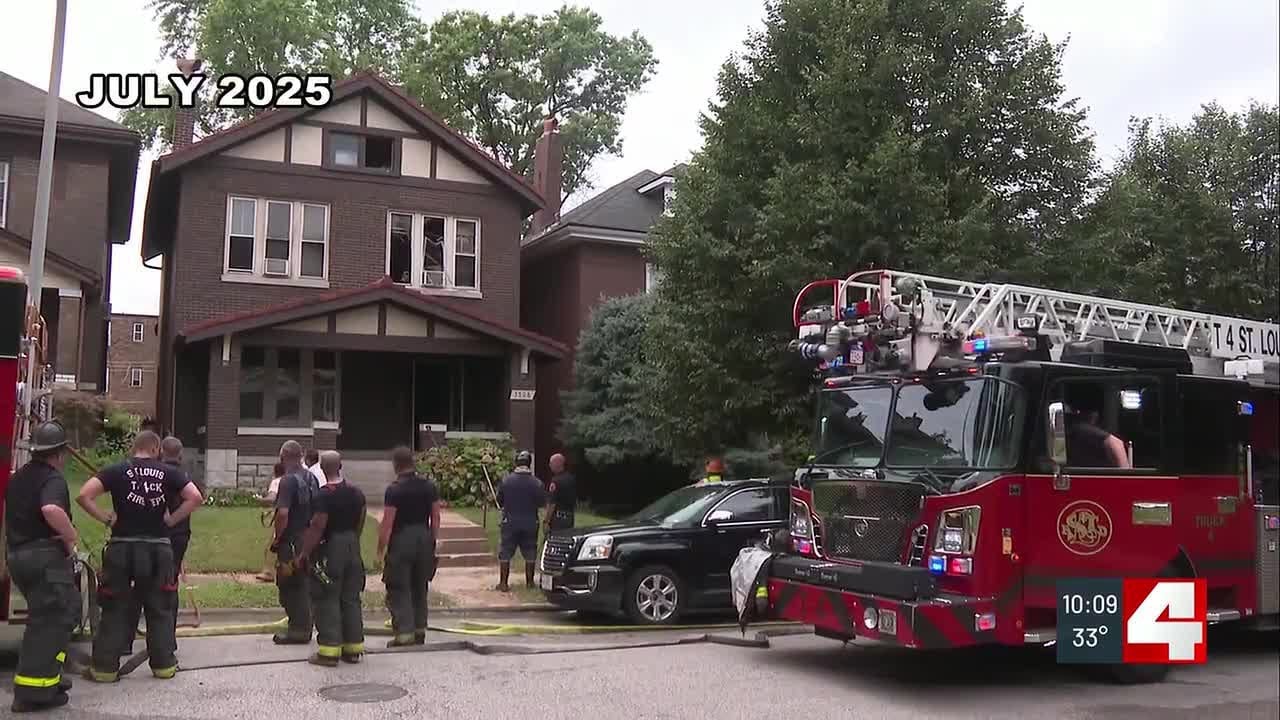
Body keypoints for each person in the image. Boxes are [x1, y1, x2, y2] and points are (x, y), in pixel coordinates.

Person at [78, 431, 202, 683]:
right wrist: (171, 520)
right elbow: (195, 497)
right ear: (156, 448)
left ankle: (104, 669)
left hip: (122, 548)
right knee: (160, 607)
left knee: (114, 607)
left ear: (134, 447)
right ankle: (164, 666)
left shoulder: (116, 471)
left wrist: (106, 518)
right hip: (158, 548)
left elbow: (83, 495)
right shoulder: (170, 473)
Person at [4, 421, 79, 712]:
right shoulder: (52, 479)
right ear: (59, 453)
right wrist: (71, 535)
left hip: (19, 556)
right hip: (44, 557)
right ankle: (32, 694)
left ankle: (50, 678)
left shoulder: (19, 477)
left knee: (56, 614)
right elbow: (50, 509)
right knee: (52, 621)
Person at [121, 435, 194, 656]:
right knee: (168, 588)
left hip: (151, 536)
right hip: (178, 536)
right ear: (180, 454)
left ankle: (125, 641)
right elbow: (195, 499)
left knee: (136, 585)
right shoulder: (184, 475)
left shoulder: (156, 473)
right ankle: (166, 642)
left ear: (161, 450)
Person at [299, 451, 367, 666]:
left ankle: (329, 651)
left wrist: (305, 553)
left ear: (321, 468)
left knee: (327, 595)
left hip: (331, 548)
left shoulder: (323, 496)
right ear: (341, 466)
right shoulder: (357, 493)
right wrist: (353, 540)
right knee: (351, 597)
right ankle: (353, 648)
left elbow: (318, 525)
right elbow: (362, 519)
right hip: (352, 546)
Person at [377, 446, 441, 647]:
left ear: (396, 465)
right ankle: (419, 630)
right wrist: (432, 541)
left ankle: (404, 634)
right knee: (420, 585)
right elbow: (436, 517)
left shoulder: (394, 490)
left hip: (402, 540)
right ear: (412, 462)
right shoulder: (428, 486)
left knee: (399, 587)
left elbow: (387, 523)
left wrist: (380, 550)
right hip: (424, 536)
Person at [269, 440, 319, 644]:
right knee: (305, 582)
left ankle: (298, 630)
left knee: (289, 584)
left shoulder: (287, 481)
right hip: (309, 538)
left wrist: (278, 538)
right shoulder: (312, 478)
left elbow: (282, 514)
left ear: (283, 457)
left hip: (291, 540)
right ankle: (306, 624)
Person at [495, 450, 545, 592]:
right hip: (530, 522)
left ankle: (503, 583)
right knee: (530, 552)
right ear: (529, 463)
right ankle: (529, 583)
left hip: (510, 521)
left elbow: (500, 501)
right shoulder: (537, 483)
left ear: (516, 462)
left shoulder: (506, 480)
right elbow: (541, 503)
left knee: (505, 552)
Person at [1066, 388, 1131, 469]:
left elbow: (1115, 443)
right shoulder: (1079, 428)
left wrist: (1126, 476)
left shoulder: (1079, 428)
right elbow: (1114, 443)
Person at [255, 463, 286, 583]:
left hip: (281, 517)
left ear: (275, 471)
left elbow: (271, 499)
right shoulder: (294, 479)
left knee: (271, 547)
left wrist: (259, 500)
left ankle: (269, 573)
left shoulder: (277, 482)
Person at [544, 453, 577, 533]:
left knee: (554, 541)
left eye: (551, 463)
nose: (549, 465)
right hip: (570, 517)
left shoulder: (555, 481)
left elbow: (552, 503)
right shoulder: (571, 479)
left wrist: (546, 521)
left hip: (558, 519)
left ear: (557, 464)